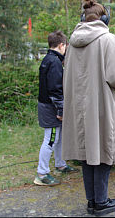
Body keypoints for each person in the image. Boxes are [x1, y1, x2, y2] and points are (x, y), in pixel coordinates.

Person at [61, 0, 115, 216]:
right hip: (100, 104)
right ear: (105, 18)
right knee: (102, 152)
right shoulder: (108, 40)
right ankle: (101, 201)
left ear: (84, 18)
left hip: (78, 107)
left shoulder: (72, 42)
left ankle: (92, 200)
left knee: (88, 154)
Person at [34, 31, 77, 186]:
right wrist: (61, 111)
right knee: (50, 139)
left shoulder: (49, 59)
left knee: (59, 137)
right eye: (65, 46)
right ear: (61, 45)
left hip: (50, 106)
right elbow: (55, 90)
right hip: (50, 108)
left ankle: (60, 164)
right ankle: (42, 173)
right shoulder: (54, 63)